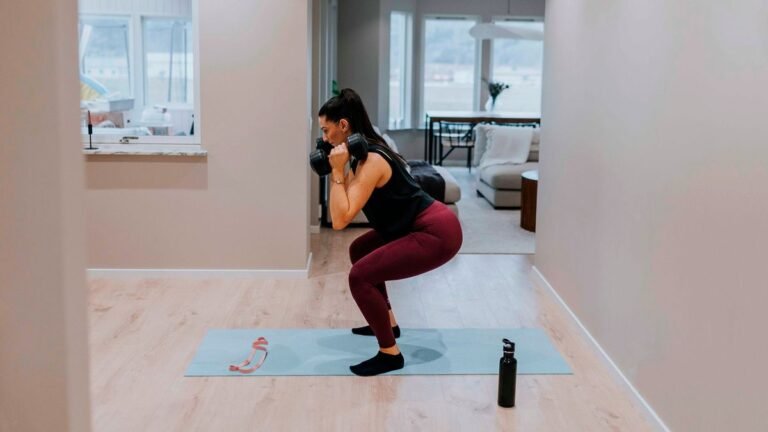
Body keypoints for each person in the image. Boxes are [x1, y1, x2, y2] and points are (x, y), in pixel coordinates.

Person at [318, 88, 463, 376]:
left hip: (436, 231)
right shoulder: (360, 153)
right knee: (359, 251)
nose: (323, 138)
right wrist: (341, 165)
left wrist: (336, 171)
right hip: (412, 225)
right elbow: (345, 204)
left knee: (360, 276)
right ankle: (388, 323)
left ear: (343, 126)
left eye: (326, 130)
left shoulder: (372, 160)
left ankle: (389, 353)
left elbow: (340, 219)